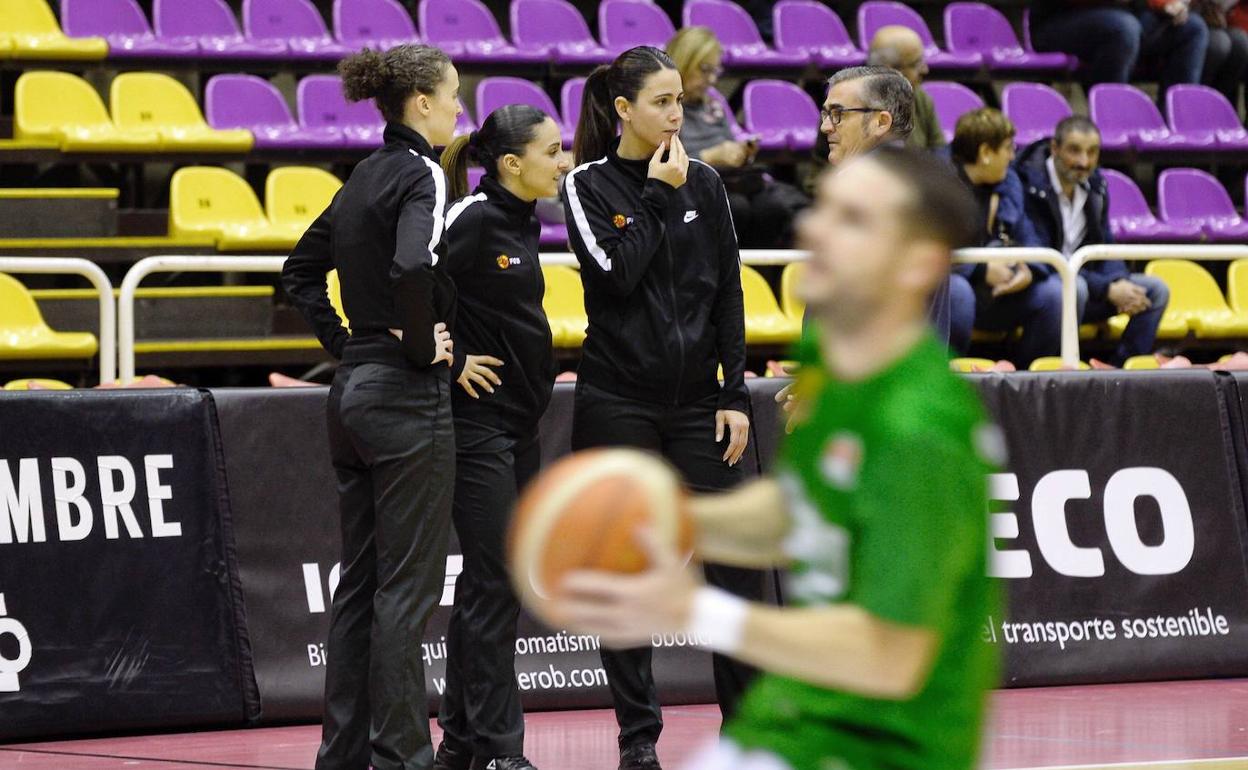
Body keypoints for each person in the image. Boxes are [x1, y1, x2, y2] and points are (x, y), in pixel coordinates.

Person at [553, 146, 1000, 770]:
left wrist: (691, 609)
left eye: (851, 220)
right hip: (798, 723)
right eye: (823, 209)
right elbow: (789, 510)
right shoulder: (841, 369)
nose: (812, 229)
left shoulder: (918, 427)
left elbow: (890, 653)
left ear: (917, 263)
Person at [561, 45, 763, 770]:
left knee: (736, 560)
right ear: (624, 110)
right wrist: (652, 192)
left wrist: (734, 391)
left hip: (698, 406)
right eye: (662, 102)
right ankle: (638, 737)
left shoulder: (705, 183)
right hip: (618, 402)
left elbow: (729, 294)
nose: (678, 114)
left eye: (681, 100)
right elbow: (615, 278)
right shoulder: (587, 185)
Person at [281, 44, 462, 770]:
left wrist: (352, 340)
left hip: (351, 394)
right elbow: (414, 265)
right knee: (405, 590)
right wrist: (419, 347)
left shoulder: (361, 175)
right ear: (421, 102)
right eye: (452, 95)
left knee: (359, 584)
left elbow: (299, 270)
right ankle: (403, 759)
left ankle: (343, 756)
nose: (459, 108)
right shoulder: (421, 172)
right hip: (404, 399)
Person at [431, 106, 569, 770]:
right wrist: (450, 361)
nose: (564, 160)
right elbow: (403, 286)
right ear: (512, 164)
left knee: (494, 588)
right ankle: (500, 753)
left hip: (520, 426)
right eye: (553, 150)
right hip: (473, 427)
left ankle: (460, 746)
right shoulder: (472, 220)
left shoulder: (521, 222)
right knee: (496, 580)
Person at [1016, 115, 1170, 366]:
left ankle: (1121, 374)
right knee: (1072, 288)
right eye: (1074, 151)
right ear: (1055, 148)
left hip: (1086, 285)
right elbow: (1045, 258)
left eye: (1092, 152)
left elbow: (1104, 246)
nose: (1083, 162)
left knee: (1155, 291)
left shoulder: (1096, 186)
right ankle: (1040, 372)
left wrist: (1118, 281)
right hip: (1043, 287)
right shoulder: (1027, 184)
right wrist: (1107, 288)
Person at [666, 26, 810, 248]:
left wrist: (740, 152)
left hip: (727, 180)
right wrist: (710, 155)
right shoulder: (665, 105)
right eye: (705, 70)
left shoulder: (712, 102)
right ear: (683, 62)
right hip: (688, 183)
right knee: (736, 208)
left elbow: (729, 139)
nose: (712, 80)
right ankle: (728, 274)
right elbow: (659, 159)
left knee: (774, 207)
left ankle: (759, 275)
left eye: (715, 71)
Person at [947, 108, 1063, 367]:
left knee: (1054, 293)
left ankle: (1025, 383)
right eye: (1008, 148)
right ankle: (947, 380)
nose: (1013, 157)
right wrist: (980, 270)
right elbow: (927, 251)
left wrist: (1028, 270)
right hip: (946, 294)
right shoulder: (939, 184)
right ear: (986, 153)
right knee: (958, 292)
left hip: (998, 293)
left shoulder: (1008, 185)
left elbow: (1031, 239)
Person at [1030, 0, 1209, 95]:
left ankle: (1175, 143)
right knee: (1123, 28)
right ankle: (1112, 124)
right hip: (1058, 21)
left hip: (1124, 17)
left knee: (1192, 28)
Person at [867, 25, 946, 151]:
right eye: (916, 64)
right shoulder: (854, 105)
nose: (925, 70)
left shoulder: (920, 98)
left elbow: (940, 152)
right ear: (889, 70)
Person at [1195, 0, 1248, 106]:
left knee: (1240, 44)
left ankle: (1223, 112)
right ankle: (1198, 107)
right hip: (1193, 17)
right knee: (1218, 45)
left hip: (1228, 20)